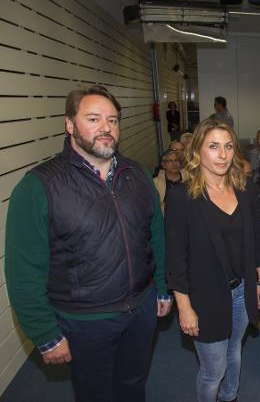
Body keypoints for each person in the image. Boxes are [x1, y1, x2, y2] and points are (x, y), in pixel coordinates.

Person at [5, 85, 172, 402]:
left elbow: (156, 235)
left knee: (133, 384)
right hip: (84, 322)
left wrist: (161, 285)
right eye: (93, 118)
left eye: (112, 120)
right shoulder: (39, 186)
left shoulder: (136, 175)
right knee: (95, 394)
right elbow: (23, 270)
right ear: (69, 124)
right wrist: (44, 333)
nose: (106, 127)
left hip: (140, 310)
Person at [165, 119, 260, 402]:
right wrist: (184, 307)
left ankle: (229, 396)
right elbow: (175, 259)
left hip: (243, 290)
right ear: (197, 151)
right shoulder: (181, 198)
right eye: (213, 147)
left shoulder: (246, 189)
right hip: (205, 298)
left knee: (235, 350)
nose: (222, 154)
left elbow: (258, 240)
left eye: (227, 147)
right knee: (213, 370)